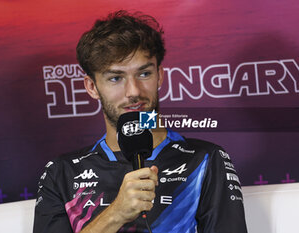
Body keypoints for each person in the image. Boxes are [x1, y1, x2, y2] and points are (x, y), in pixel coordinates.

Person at [33, 10, 247, 233]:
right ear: (92, 87)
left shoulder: (204, 160)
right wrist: (116, 214)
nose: (133, 91)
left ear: (160, 76)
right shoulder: (61, 173)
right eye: (116, 78)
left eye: (144, 74)